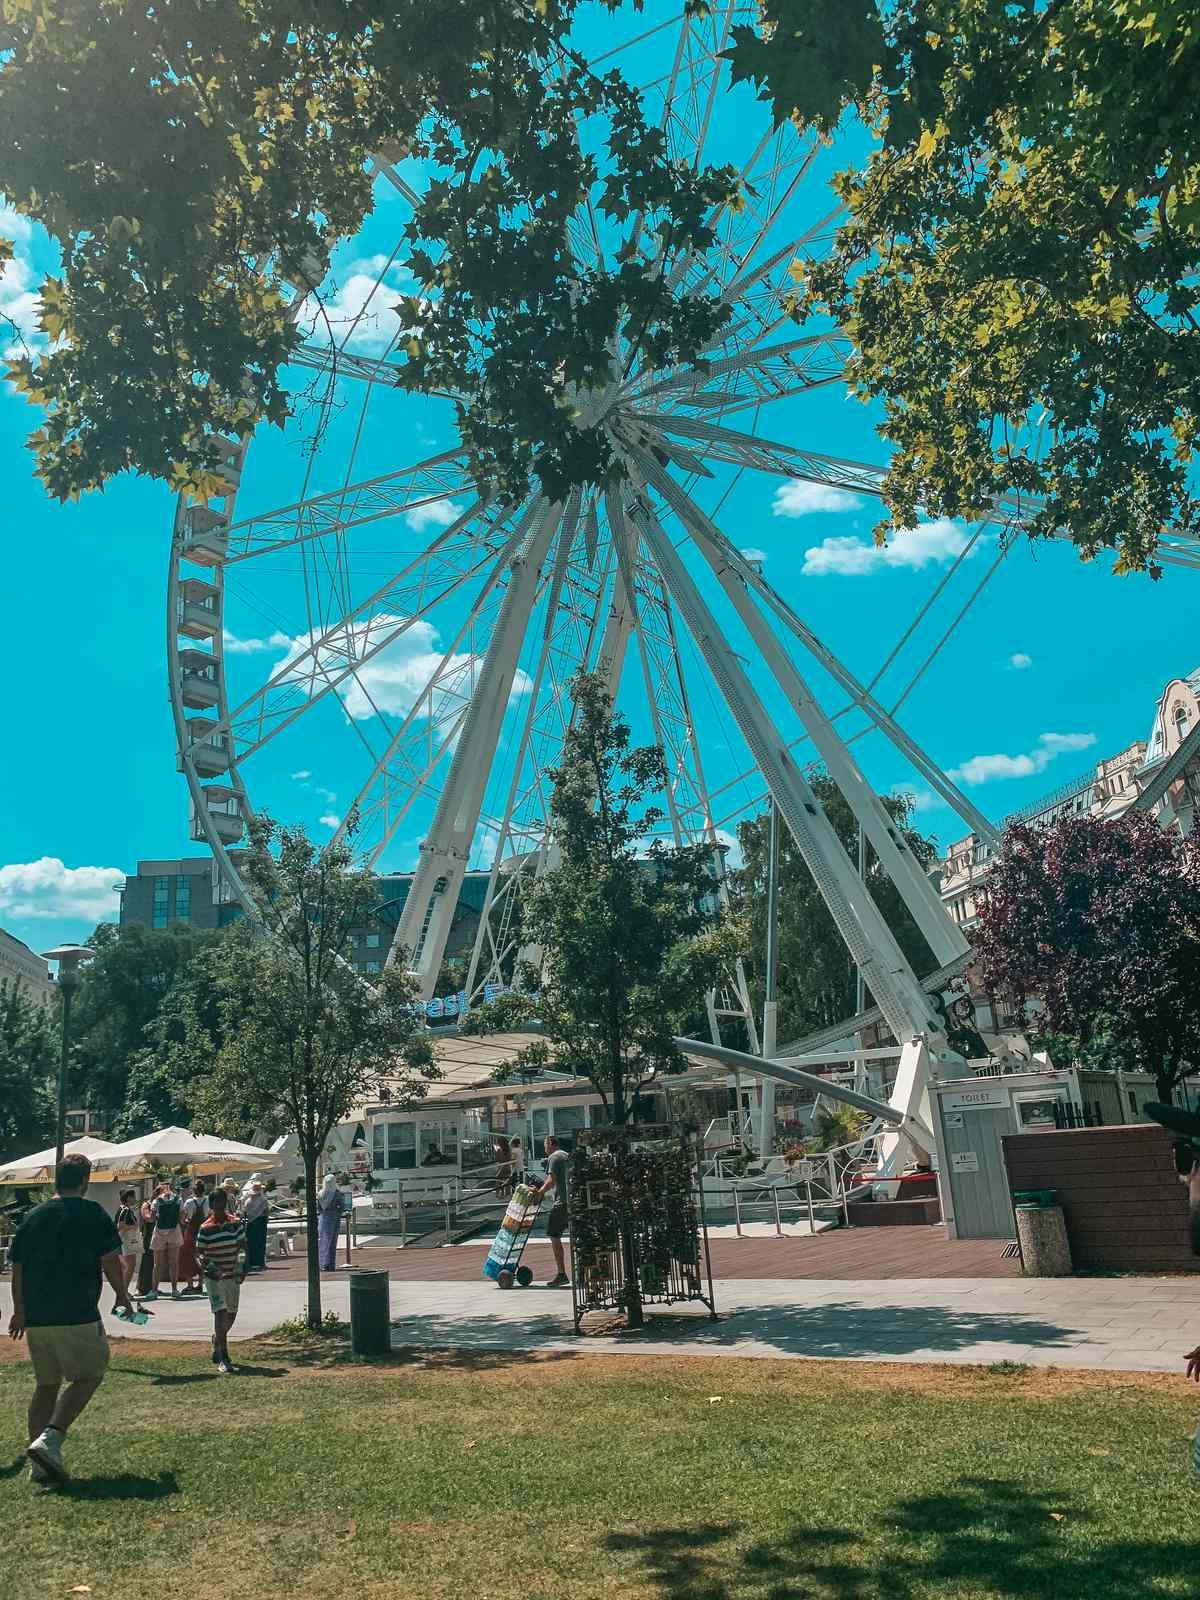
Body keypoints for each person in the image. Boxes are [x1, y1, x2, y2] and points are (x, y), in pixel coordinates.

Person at [8, 1153, 134, 1485]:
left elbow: (17, 1268)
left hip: (37, 1318)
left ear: (55, 1179)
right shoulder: (92, 1213)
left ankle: (39, 1463)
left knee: (46, 1385)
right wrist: (122, 1294)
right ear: (85, 1180)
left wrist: (19, 1311)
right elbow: (110, 1259)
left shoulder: (33, 1217)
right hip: (76, 1312)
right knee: (90, 1374)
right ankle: (50, 1439)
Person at [195, 1187, 246, 1375]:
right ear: (211, 1206)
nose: (219, 1209)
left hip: (232, 1276)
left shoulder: (235, 1223)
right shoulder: (205, 1228)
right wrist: (208, 1268)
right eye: (216, 1205)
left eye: (222, 1205)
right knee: (221, 1313)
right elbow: (199, 1254)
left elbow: (242, 1247)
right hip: (214, 1278)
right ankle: (225, 1357)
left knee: (231, 1314)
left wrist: (241, 1268)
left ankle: (218, 1340)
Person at [529, 1134, 570, 1288]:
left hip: (562, 1203)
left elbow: (551, 1181)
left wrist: (539, 1193)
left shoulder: (554, 1157)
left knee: (553, 1234)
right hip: (574, 1201)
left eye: (546, 1145)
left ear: (552, 1145)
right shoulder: (566, 1155)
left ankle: (561, 1273)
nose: (544, 1149)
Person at [147, 1182, 184, 1300]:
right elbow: (182, 1219)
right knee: (174, 1262)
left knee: (157, 1264)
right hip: (174, 1231)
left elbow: (152, 1219)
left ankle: (154, 1290)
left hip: (159, 1232)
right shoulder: (179, 1200)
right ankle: (174, 1289)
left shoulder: (156, 1201)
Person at [179, 1178, 209, 1295]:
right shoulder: (207, 1201)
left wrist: (184, 1222)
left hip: (191, 1231)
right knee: (202, 1257)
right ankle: (200, 1284)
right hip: (204, 1231)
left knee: (187, 1258)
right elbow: (208, 1215)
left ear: (194, 1190)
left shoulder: (189, 1202)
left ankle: (190, 1285)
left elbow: (184, 1219)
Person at [114, 1188, 142, 1307]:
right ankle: (124, 1291)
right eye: (133, 1197)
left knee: (128, 1266)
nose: (135, 1199)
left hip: (125, 1241)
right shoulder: (125, 1210)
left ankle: (124, 1291)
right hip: (125, 1241)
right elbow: (120, 1226)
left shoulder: (125, 1209)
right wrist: (134, 1227)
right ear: (128, 1198)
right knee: (129, 1266)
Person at [316, 1173, 344, 1271]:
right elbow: (341, 1206)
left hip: (323, 1218)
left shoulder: (320, 1193)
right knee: (332, 1242)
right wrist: (338, 1213)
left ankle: (322, 1263)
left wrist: (323, 1214)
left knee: (323, 1241)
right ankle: (330, 1264)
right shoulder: (336, 1193)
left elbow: (318, 1208)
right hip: (334, 1218)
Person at [241, 1180, 269, 1273]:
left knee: (251, 1242)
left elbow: (245, 1211)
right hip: (260, 1222)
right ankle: (259, 1262)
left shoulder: (248, 1200)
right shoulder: (262, 1199)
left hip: (250, 1222)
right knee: (259, 1242)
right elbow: (266, 1211)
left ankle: (252, 1261)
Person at [136, 1193, 156, 1296]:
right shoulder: (146, 1205)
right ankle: (142, 1288)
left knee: (154, 1263)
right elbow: (149, 1218)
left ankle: (153, 1287)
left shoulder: (157, 1204)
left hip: (157, 1235)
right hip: (148, 1236)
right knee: (147, 1262)